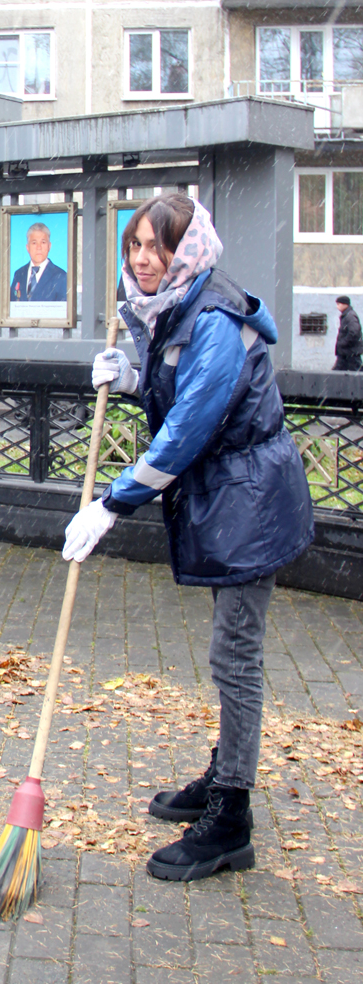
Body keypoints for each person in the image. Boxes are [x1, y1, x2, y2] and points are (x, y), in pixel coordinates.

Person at [63, 193, 313, 883]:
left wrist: (112, 503)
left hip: (250, 497)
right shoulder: (166, 306)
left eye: (158, 246)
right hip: (223, 495)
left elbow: (190, 426)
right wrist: (134, 374)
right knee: (229, 652)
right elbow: (173, 389)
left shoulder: (215, 318)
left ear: (188, 251)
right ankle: (223, 772)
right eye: (136, 244)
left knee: (234, 653)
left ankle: (231, 816)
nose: (144, 258)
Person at [10, 222, 67, 304]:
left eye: (43, 242)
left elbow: (64, 312)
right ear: (27, 247)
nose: (39, 247)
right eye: (34, 243)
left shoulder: (61, 276)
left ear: (49, 246)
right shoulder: (19, 274)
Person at [333, 295, 362, 371]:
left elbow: (354, 332)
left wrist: (343, 343)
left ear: (345, 304)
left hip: (350, 353)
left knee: (356, 374)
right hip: (346, 354)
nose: (337, 306)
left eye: (339, 304)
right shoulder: (346, 315)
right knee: (337, 374)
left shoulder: (350, 316)